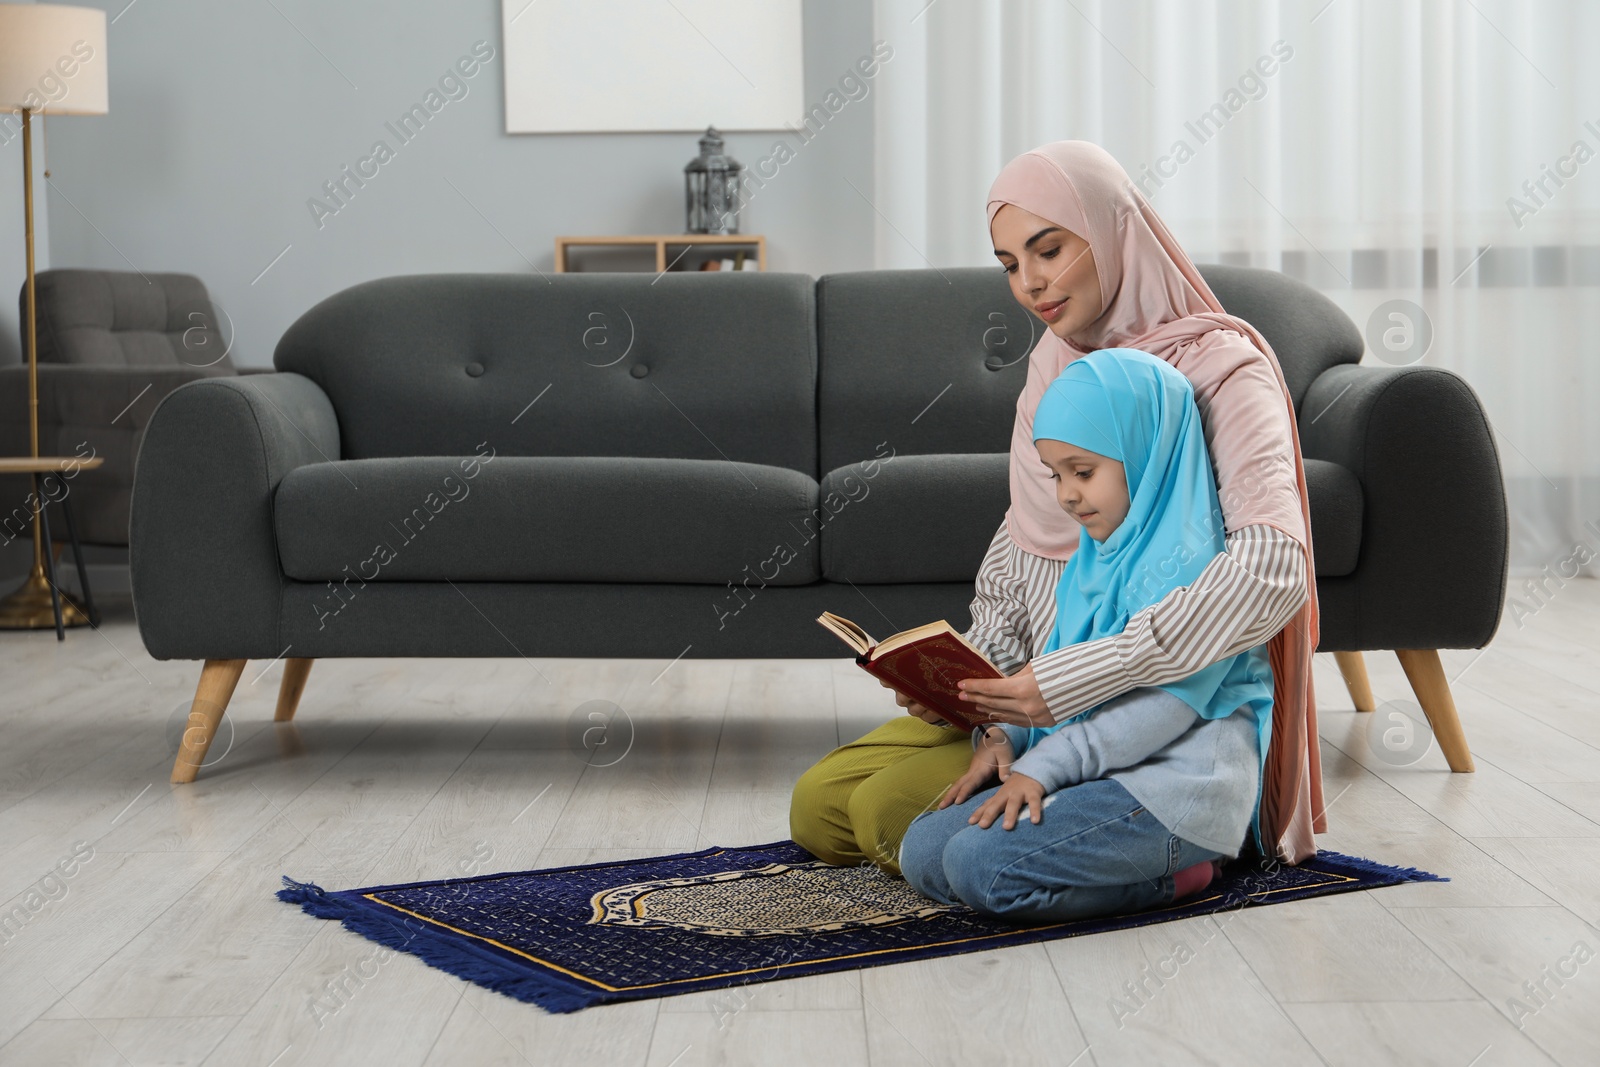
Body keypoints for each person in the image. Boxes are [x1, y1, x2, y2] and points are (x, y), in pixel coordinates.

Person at [789, 140, 1325, 873]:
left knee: (883, 816)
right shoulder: (1051, 367)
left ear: (1111, 232)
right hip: (1031, 696)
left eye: (1048, 250)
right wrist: (971, 685)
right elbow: (1026, 545)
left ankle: (1117, 842)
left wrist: (1079, 677)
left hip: (1144, 701)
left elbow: (1271, 569)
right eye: (1010, 264)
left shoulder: (1223, 372)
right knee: (818, 806)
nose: (1031, 284)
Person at [897, 347, 1274, 921]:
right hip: (1095, 777)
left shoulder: (1203, 574)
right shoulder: (1093, 563)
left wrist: (1039, 771)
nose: (1066, 495)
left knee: (979, 867)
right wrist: (1004, 739)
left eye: (1084, 472)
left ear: (1146, 457)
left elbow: (1154, 714)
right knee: (922, 851)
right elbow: (1058, 683)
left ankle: (1179, 876)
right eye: (1056, 474)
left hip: (1173, 794)